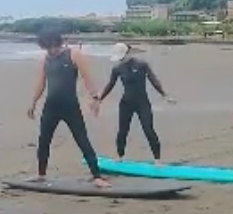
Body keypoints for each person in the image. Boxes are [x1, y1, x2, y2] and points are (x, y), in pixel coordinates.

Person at [27, 29, 109, 185]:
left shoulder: (74, 54)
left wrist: (95, 98)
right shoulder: (45, 59)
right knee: (44, 140)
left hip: (70, 106)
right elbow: (41, 83)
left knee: (82, 139)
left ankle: (97, 176)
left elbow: (87, 77)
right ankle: (41, 174)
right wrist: (33, 103)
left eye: (53, 47)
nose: (51, 51)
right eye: (47, 48)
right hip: (51, 106)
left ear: (59, 43)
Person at [97, 42, 175, 162]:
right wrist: (100, 99)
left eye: (122, 57)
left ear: (128, 53)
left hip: (142, 103)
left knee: (148, 129)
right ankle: (120, 156)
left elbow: (154, 80)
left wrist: (165, 95)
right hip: (126, 104)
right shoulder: (117, 68)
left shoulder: (142, 65)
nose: (120, 60)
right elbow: (110, 85)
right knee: (123, 131)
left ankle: (157, 160)